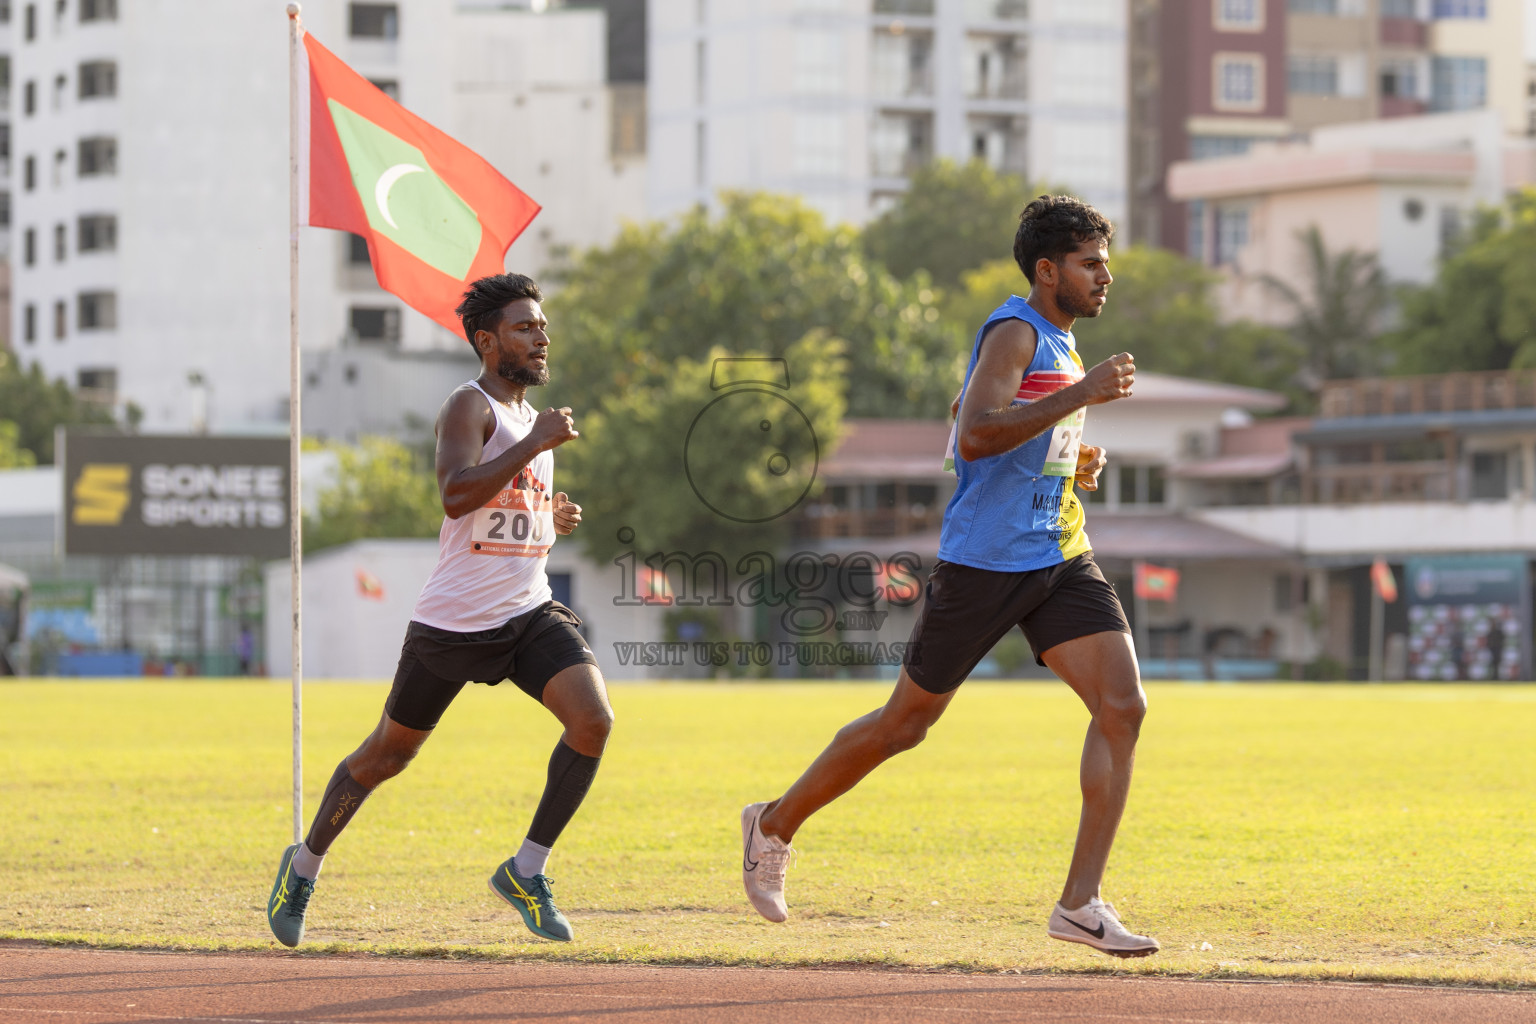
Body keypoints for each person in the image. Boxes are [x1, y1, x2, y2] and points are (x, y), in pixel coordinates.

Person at [740, 195, 1159, 958]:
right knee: (905, 725)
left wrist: (1073, 460)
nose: (1106, 276)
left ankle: (1080, 903)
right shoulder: (1014, 331)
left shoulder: (1061, 343)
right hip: (985, 563)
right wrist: (1084, 395)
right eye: (1090, 264)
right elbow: (973, 437)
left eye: (1106, 263)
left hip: (1060, 554)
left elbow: (1010, 433)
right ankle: (772, 825)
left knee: (1123, 706)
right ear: (1047, 270)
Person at [267, 273, 613, 947]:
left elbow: (502, 510)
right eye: (524, 327)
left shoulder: (529, 423)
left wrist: (549, 515)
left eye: (542, 325)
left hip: (528, 613)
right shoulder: (469, 406)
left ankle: (526, 871)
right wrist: (536, 445)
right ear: (487, 342)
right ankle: (303, 867)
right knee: (387, 755)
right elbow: (456, 496)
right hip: (454, 624)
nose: (541, 337)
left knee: (593, 721)